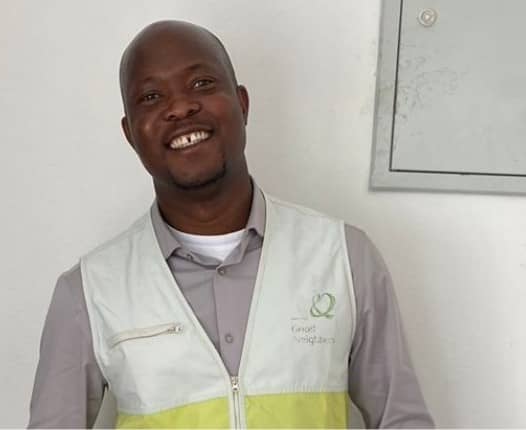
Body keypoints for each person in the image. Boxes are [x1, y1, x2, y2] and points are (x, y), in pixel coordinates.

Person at [28, 20, 434, 428]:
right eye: (151, 97)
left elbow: (402, 419)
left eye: (201, 83)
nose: (180, 107)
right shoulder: (90, 291)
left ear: (242, 104)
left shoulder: (342, 257)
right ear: (131, 133)